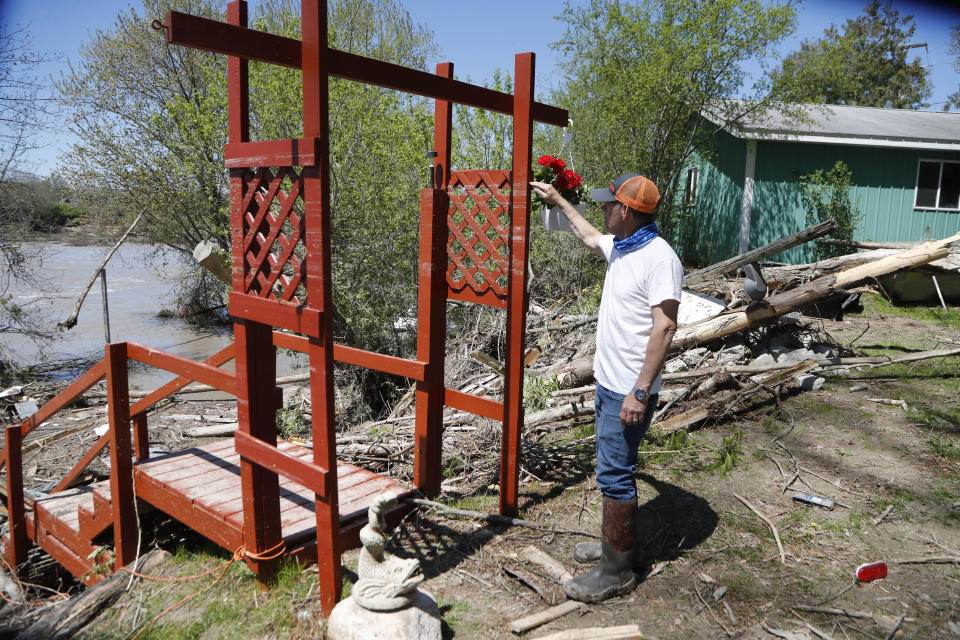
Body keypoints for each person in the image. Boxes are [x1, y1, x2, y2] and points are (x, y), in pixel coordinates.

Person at [529, 174, 683, 603]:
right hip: (610, 382)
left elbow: (665, 327)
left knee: (615, 476)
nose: (603, 209)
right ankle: (618, 547)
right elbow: (588, 234)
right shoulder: (622, 247)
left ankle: (617, 571)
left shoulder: (659, 258)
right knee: (611, 468)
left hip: (628, 390)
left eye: (608, 204)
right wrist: (557, 199)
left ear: (627, 211)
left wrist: (639, 391)